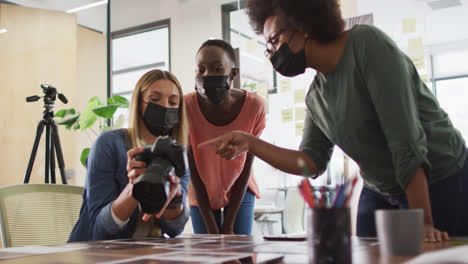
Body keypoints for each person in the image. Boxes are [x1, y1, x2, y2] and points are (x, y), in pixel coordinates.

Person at [200, 0, 468, 242]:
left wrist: (423, 223)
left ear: (303, 25)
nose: (272, 54)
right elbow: (310, 162)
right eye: (267, 47)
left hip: (440, 179)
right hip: (381, 187)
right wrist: (250, 143)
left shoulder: (366, 44)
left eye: (275, 41)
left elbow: (405, 140)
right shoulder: (316, 96)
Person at [69, 70, 190, 242]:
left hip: (143, 254)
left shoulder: (177, 155)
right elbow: (100, 230)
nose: (165, 106)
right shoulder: (108, 145)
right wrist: (134, 189)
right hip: (94, 254)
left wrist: (175, 198)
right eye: (155, 99)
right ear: (139, 103)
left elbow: (174, 229)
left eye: (173, 102)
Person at [185, 39, 266, 234]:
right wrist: (213, 228)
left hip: (241, 186)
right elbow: (193, 171)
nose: (208, 75)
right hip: (200, 189)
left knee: (239, 249)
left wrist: (228, 225)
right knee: (209, 252)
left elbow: (246, 165)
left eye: (217, 69)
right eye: (201, 70)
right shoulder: (186, 107)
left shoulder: (255, 106)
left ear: (233, 73)